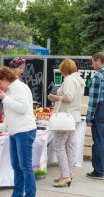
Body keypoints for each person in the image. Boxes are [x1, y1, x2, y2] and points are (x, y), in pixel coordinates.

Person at [0, 67, 37, 197]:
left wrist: (5, 98)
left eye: (0, 82)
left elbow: (23, 108)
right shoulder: (11, 91)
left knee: (25, 167)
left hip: (24, 131)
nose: (0, 86)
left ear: (5, 79)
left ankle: (30, 194)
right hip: (15, 132)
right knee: (16, 166)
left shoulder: (20, 88)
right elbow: (10, 118)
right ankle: (17, 193)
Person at [48, 59, 85, 187]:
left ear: (65, 69)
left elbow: (68, 98)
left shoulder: (69, 80)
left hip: (65, 117)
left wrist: (55, 97)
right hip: (73, 117)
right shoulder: (78, 80)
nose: (61, 72)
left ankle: (65, 176)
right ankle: (68, 174)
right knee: (69, 146)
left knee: (58, 145)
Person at [86, 52, 104, 180]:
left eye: (92, 61)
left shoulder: (98, 76)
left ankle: (99, 171)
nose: (92, 64)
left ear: (98, 61)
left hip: (100, 110)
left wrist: (89, 117)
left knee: (98, 141)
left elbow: (94, 99)